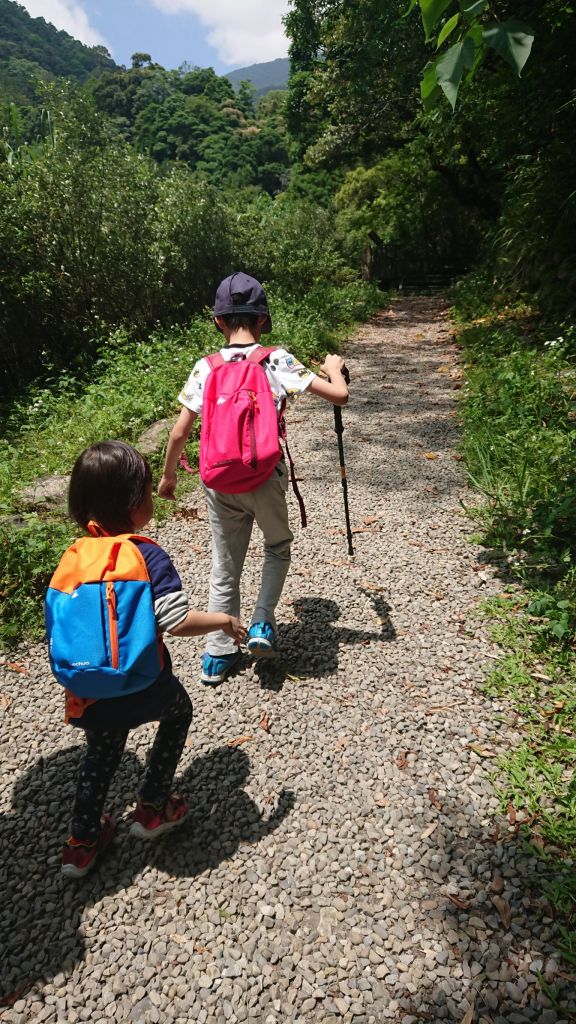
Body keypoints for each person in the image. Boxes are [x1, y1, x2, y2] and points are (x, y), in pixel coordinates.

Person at [56, 440, 246, 878]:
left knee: (99, 756)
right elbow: (175, 622)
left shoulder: (74, 557)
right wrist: (222, 620)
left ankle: (81, 843)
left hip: (90, 690)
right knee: (179, 714)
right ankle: (152, 806)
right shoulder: (146, 554)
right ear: (135, 502)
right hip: (145, 681)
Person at [158, 271, 349, 686]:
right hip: (264, 476)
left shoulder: (205, 367)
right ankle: (262, 622)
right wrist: (334, 367)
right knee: (277, 545)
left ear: (218, 322)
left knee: (225, 565)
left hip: (218, 481)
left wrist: (169, 476)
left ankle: (217, 654)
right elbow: (339, 395)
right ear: (263, 320)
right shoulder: (276, 359)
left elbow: (178, 432)